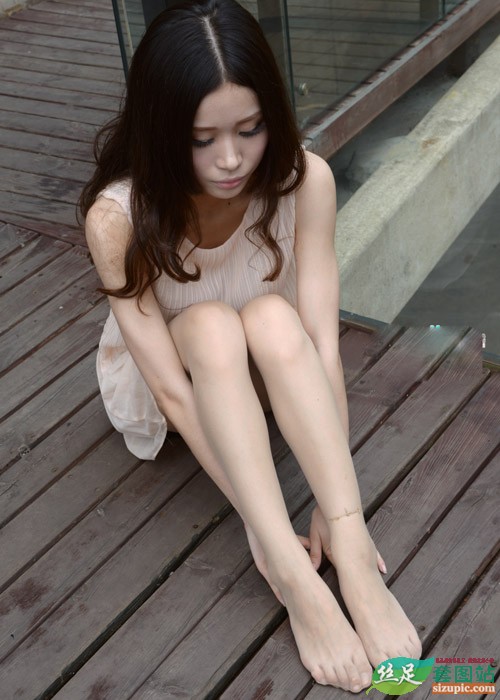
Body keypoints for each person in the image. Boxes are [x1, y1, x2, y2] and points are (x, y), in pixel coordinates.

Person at [80, 0, 422, 690]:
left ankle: (355, 558)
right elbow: (172, 391)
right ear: (160, 130)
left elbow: (321, 344)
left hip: (274, 367)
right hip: (183, 383)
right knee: (211, 325)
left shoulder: (305, 180)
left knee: (270, 315)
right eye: (201, 139)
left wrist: (338, 514)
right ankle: (296, 579)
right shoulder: (119, 219)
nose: (231, 159)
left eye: (250, 129)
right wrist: (271, 540)